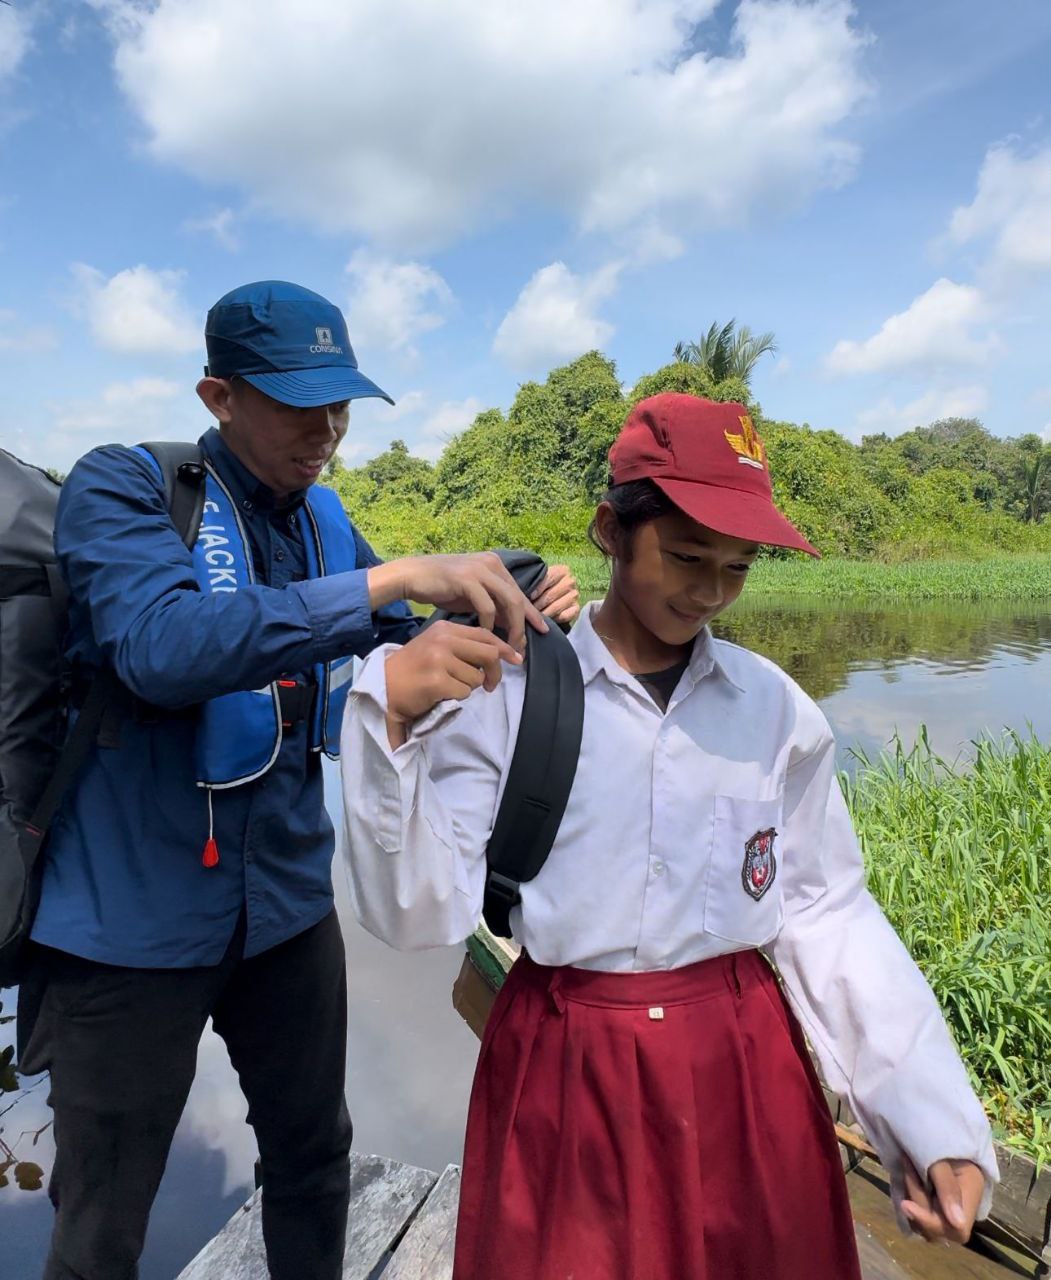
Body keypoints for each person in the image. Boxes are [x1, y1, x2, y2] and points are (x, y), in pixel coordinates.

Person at [340, 393, 998, 1280]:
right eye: (686, 555)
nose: (709, 591)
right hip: (568, 1060)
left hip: (741, 1060)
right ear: (611, 529)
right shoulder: (509, 693)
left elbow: (822, 909)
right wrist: (388, 723)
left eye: (738, 566)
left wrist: (930, 1121)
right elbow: (417, 915)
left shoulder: (772, 711)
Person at [16, 279, 579, 1280]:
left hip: (282, 908)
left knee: (314, 1155)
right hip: (127, 927)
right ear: (218, 394)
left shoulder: (322, 521)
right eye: (293, 399)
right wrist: (398, 576)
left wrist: (516, 603)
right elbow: (161, 645)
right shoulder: (125, 486)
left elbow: (402, 635)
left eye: (340, 401)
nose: (324, 426)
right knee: (103, 1213)